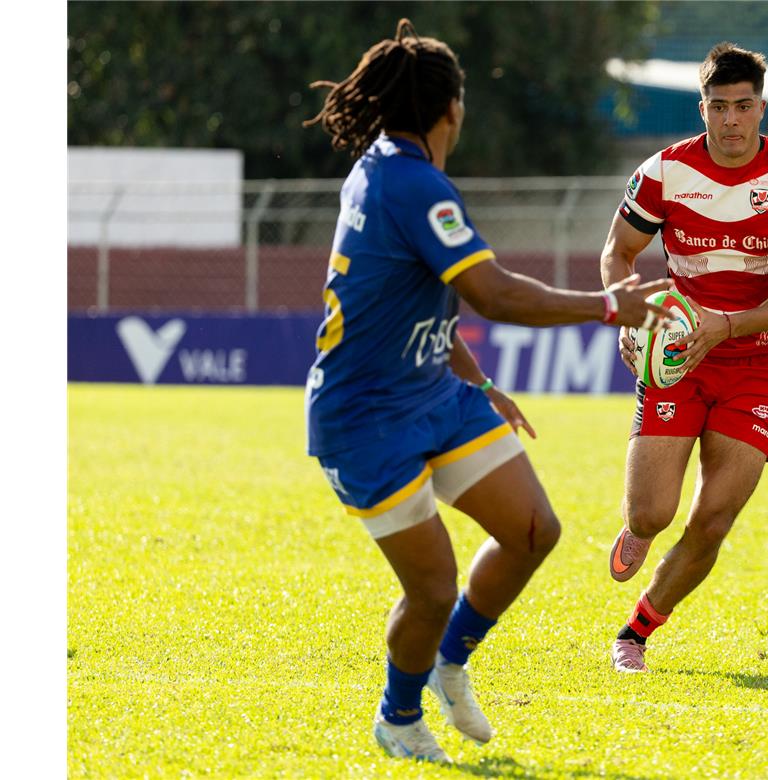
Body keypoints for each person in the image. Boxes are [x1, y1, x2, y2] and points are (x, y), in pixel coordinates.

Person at [302, 20, 671, 763]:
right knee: (432, 587)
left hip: (431, 392)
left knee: (534, 530)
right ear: (452, 110)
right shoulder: (413, 184)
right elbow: (492, 294)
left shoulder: (384, 168)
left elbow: (417, 300)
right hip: (365, 419)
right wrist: (607, 305)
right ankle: (398, 717)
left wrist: (482, 383)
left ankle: (448, 661)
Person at [600, 42, 768, 673]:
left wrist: (726, 326)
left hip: (756, 363)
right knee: (653, 511)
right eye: (719, 106)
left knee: (714, 520)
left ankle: (637, 631)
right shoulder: (664, 173)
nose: (731, 119)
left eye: (744, 106)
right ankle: (638, 530)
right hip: (677, 353)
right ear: (702, 108)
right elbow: (617, 252)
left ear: (761, 107)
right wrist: (629, 309)